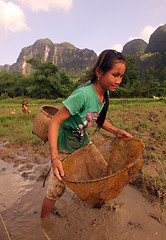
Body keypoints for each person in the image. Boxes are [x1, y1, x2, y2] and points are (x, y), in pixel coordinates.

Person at [41, 49, 132, 218]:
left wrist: (117, 131)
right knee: (56, 189)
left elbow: (97, 118)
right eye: (115, 75)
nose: (118, 81)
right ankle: (43, 223)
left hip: (83, 142)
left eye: (121, 76)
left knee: (103, 174)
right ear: (99, 72)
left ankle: (99, 206)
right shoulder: (83, 94)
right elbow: (55, 121)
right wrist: (55, 158)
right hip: (64, 147)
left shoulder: (103, 94)